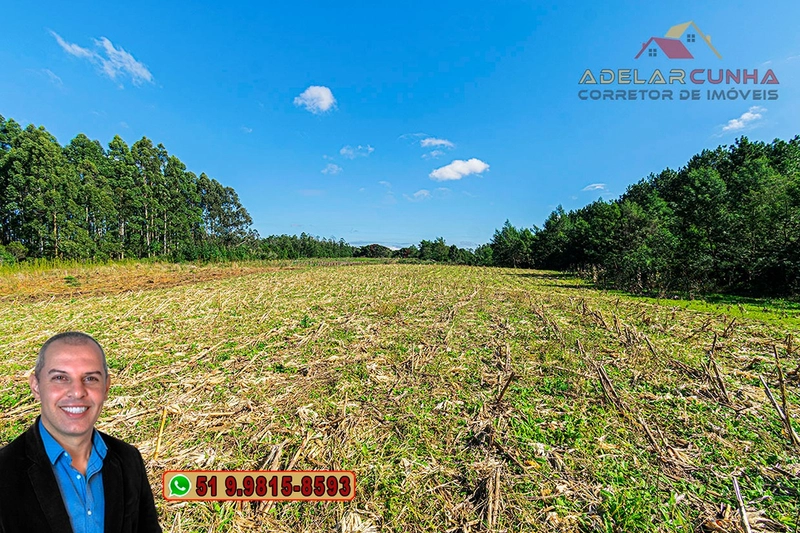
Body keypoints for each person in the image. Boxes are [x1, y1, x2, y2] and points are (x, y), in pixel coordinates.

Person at [0, 331, 162, 533]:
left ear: (106, 387)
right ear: (36, 386)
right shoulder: (4, 471)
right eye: (60, 377)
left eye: (91, 378)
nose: (77, 392)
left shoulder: (129, 460)